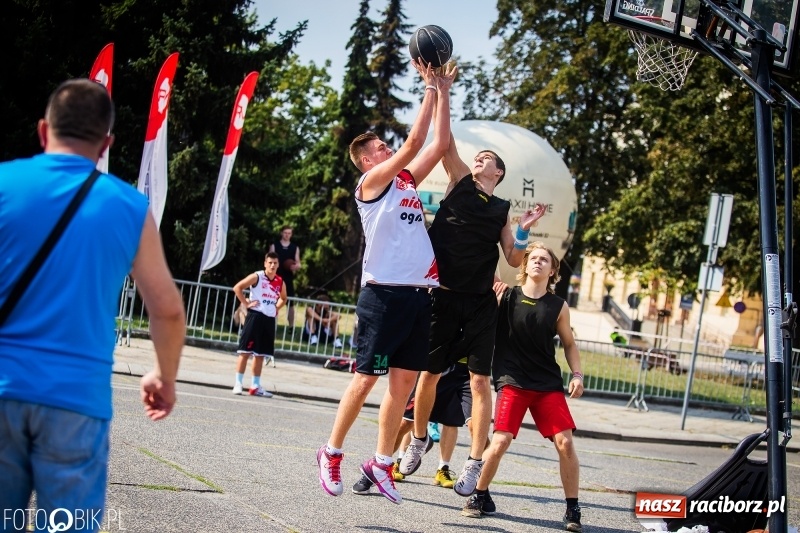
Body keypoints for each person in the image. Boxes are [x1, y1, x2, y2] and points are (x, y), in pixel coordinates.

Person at [0, 79, 185, 528]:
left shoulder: (4, 183)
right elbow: (167, 309)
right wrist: (165, 375)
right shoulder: (129, 207)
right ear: (106, 144)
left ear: (44, 131)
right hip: (76, 398)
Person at [316, 60, 457, 505]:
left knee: (402, 388)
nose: (387, 148)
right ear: (367, 159)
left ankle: (380, 463)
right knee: (364, 381)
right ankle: (332, 450)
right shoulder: (371, 183)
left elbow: (439, 143)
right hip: (383, 296)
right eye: (380, 146)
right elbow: (416, 141)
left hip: (419, 297)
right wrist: (429, 87)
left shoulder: (407, 183)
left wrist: (444, 91)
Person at [400, 129, 548, 497]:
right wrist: (439, 88)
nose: (479, 160)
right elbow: (445, 141)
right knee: (429, 376)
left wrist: (524, 230)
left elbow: (514, 258)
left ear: (498, 173)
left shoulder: (501, 211)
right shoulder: (460, 182)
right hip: (444, 299)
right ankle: (418, 440)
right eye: (477, 157)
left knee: (480, 382)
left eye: (487, 159)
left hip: (480, 304)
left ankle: (474, 461)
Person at [462, 242, 584, 532]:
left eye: (545, 260)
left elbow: (569, 344)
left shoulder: (558, 306)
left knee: (565, 443)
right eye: (534, 259)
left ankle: (572, 508)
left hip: (547, 384)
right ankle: (478, 496)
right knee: (501, 440)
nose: (539, 263)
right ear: (525, 265)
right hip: (512, 380)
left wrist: (577, 374)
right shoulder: (507, 296)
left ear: (553, 270)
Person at [351, 359, 487, 494]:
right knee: (406, 422)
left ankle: (478, 490)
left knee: (473, 431)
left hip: (468, 371)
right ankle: (378, 467)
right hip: (437, 364)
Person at [232, 251, 287, 398]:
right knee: (245, 352)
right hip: (255, 316)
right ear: (265, 263)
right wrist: (246, 303)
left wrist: (276, 308)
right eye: (270, 262)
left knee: (260, 354)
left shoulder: (280, 281)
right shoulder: (257, 276)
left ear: (278, 265)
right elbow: (237, 288)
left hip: (268, 319)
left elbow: (284, 298)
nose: (272, 265)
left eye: (275, 263)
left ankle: (255, 385)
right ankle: (238, 383)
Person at [269, 226, 301, 328]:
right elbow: (269, 261)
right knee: (273, 302)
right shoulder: (274, 246)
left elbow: (298, 263)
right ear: (281, 233)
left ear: (291, 234)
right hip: (275, 277)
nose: (287, 235)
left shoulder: (295, 248)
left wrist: (296, 266)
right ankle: (272, 325)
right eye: (285, 233)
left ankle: (291, 327)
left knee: (290, 303)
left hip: (288, 278)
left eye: (289, 233)